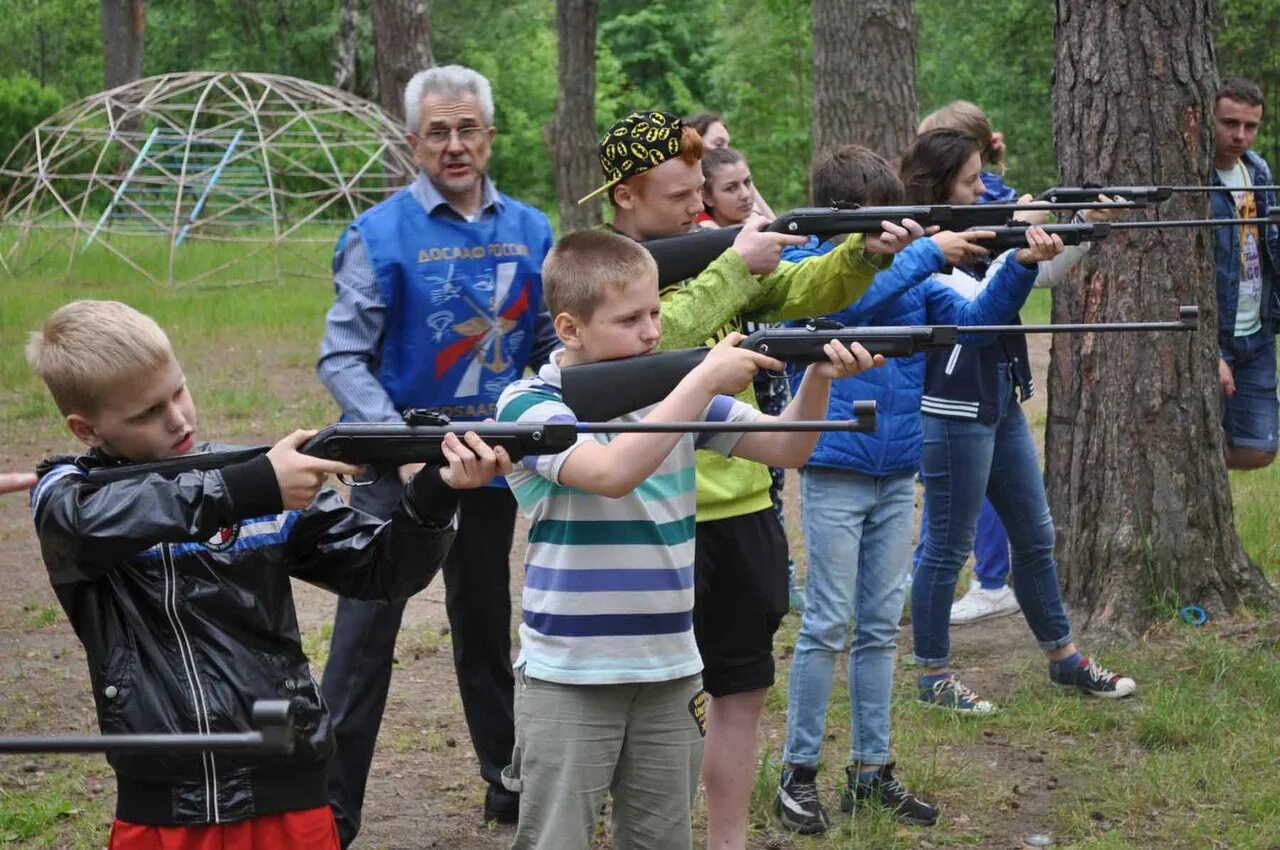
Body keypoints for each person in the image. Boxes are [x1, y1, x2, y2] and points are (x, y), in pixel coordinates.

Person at [26, 299, 510, 849]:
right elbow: (91, 522)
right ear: (85, 429)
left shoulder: (255, 480)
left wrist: (434, 491)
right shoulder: (66, 496)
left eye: (178, 390)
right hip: (163, 809)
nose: (179, 418)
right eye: (146, 413)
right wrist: (252, 486)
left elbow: (383, 571)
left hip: (290, 790)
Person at [581, 109, 918, 849]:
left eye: (698, 190)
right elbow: (650, 341)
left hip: (739, 509)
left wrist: (862, 255)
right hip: (646, 519)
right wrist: (736, 263)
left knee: (739, 692)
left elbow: (803, 291)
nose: (695, 206)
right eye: (677, 196)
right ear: (625, 197)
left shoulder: (711, 253)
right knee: (639, 708)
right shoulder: (600, 272)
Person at [495, 229, 880, 850]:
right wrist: (699, 381)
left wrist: (820, 374)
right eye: (630, 319)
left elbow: (787, 446)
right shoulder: (530, 404)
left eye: (654, 312)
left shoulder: (669, 393)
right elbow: (612, 474)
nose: (652, 331)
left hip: (672, 667)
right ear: (569, 329)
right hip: (570, 674)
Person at [773, 144, 1063, 834]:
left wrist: (1020, 265)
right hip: (836, 469)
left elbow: (978, 324)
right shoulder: (805, 269)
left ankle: (872, 771)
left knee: (876, 629)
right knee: (825, 626)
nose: (893, 236)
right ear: (845, 222)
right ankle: (798, 772)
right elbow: (843, 300)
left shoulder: (911, 275)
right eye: (880, 224)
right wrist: (929, 250)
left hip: (895, 472)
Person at [316, 64, 557, 840]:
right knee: (362, 639)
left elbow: (553, 345)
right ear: (414, 141)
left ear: (488, 136)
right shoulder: (378, 233)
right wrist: (405, 444)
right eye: (438, 132)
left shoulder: (532, 229)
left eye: (468, 130)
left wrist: (535, 418)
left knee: (485, 624)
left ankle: (507, 782)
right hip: (399, 470)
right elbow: (343, 356)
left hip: (488, 465)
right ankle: (331, 811)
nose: (455, 146)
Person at [904, 129, 1137, 714]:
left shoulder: (976, 234)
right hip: (956, 411)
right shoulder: (922, 252)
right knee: (946, 549)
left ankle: (1064, 659)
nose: (983, 188)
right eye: (969, 181)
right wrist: (1026, 251)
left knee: (1035, 538)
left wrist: (1080, 225)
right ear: (937, 189)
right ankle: (932, 676)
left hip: (1000, 403)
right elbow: (980, 314)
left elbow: (1038, 273)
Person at [914, 100, 1031, 624]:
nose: (979, 190)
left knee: (980, 514)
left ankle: (987, 580)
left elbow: (984, 308)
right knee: (947, 526)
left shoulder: (989, 205)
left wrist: (1040, 243)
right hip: (948, 386)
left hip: (978, 383)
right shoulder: (928, 233)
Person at [1210, 77, 1279, 470]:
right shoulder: (1197, 180)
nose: (1240, 136)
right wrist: (1210, 352)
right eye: (1229, 123)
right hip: (1214, 331)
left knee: (1259, 449)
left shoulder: (1257, 171)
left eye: (1250, 126)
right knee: (1199, 431)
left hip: (1258, 331)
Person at [683, 112, 776, 219]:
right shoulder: (692, 214)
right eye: (718, 144)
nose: (727, 152)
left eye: (728, 145)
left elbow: (773, 223)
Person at [699, 146, 757, 227]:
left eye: (747, 182)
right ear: (707, 197)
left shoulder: (760, 224)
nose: (745, 195)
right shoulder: (702, 236)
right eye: (731, 188)